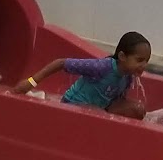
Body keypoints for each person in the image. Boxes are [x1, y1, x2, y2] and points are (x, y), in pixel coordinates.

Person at [14, 31, 152, 119]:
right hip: (73, 104)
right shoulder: (102, 67)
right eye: (139, 60)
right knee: (100, 113)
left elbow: (117, 101)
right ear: (122, 56)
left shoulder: (128, 77)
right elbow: (61, 63)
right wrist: (31, 82)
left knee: (138, 110)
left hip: (99, 108)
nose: (144, 65)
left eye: (146, 61)